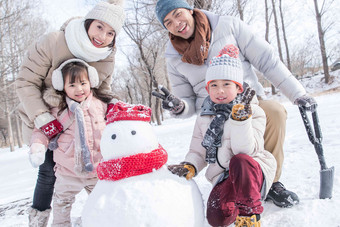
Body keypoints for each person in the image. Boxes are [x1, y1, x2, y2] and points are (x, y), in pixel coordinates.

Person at [153, 0, 317, 208]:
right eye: (168, 22)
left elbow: (267, 60)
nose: (176, 23)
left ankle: (271, 181)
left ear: (190, 10)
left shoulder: (228, 26)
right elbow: (187, 100)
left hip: (248, 100)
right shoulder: (174, 58)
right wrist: (179, 106)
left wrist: (298, 93)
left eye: (178, 14)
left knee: (274, 112)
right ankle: (231, 184)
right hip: (213, 112)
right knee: (233, 147)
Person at [15, 0, 125, 226]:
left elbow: (102, 89)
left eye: (111, 33)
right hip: (49, 119)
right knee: (48, 174)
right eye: (99, 26)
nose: (103, 36)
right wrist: (42, 117)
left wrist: (113, 105)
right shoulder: (55, 41)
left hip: (87, 121)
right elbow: (26, 82)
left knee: (97, 179)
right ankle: (39, 221)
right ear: (88, 23)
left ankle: (104, 218)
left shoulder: (106, 55)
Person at [168, 45, 277, 226]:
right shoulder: (205, 116)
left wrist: (240, 120)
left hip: (251, 171)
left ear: (238, 87)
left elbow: (246, 150)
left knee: (239, 160)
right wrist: (191, 165)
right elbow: (198, 149)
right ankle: (238, 201)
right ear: (208, 89)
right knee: (218, 218)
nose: (220, 90)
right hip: (224, 175)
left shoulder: (254, 112)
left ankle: (250, 213)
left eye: (226, 84)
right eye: (214, 85)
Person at [29, 59, 114, 226]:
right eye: (72, 85)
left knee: (105, 205)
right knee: (61, 206)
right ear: (62, 86)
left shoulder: (101, 105)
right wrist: (38, 145)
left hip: (97, 171)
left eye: (83, 83)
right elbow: (41, 130)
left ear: (91, 82)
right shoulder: (59, 110)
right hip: (67, 172)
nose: (79, 89)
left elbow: (117, 122)